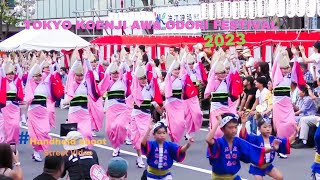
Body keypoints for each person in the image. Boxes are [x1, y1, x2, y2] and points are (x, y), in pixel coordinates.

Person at [206, 113, 281, 179]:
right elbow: (208, 139)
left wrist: (272, 148)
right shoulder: (219, 142)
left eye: (235, 127)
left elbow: (254, 149)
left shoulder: (238, 142)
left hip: (233, 177)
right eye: (230, 127)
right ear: (222, 129)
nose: (234, 130)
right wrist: (218, 122)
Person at [240, 114, 296, 180]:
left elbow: (286, 141)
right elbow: (244, 136)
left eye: (269, 127)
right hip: (257, 167)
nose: (268, 129)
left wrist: (295, 132)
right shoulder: (256, 139)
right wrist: (243, 123)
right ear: (259, 129)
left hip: (268, 165)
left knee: (280, 177)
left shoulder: (273, 139)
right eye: (265, 127)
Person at [25, 61, 53, 161]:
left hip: (43, 113)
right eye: (36, 76)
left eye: (39, 76)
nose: (38, 78)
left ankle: (47, 152)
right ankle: (36, 152)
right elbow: (30, 74)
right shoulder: (30, 84)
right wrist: (37, 63)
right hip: (32, 112)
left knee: (44, 132)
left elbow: (52, 74)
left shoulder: (45, 84)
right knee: (33, 135)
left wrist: (50, 63)